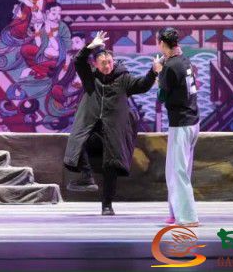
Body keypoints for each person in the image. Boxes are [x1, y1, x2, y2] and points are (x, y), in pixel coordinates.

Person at [63, 30, 159, 215]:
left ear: (113, 61)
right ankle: (87, 176)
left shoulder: (123, 78)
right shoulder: (90, 77)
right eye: (103, 63)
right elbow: (78, 61)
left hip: (113, 130)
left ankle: (107, 205)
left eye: (109, 62)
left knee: (111, 166)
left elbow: (141, 85)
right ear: (95, 64)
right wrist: (90, 46)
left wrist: (153, 72)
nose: (107, 65)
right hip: (92, 127)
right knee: (78, 141)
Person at [156, 27, 200, 227]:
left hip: (181, 123)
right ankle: (175, 212)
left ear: (162, 44)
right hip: (191, 120)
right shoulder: (183, 60)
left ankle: (188, 217)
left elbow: (161, 96)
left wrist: (159, 72)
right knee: (177, 170)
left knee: (178, 172)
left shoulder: (170, 66)